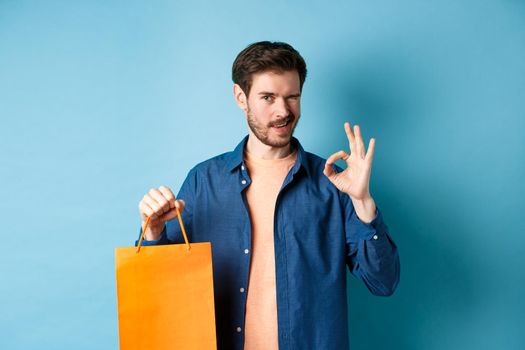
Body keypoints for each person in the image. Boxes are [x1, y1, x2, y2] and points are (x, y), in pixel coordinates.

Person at [136, 41, 400, 350]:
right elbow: (158, 294)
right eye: (268, 97)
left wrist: (363, 202)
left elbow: (383, 283)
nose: (283, 111)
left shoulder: (334, 183)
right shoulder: (203, 181)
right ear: (240, 97)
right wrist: (152, 232)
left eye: (292, 97)